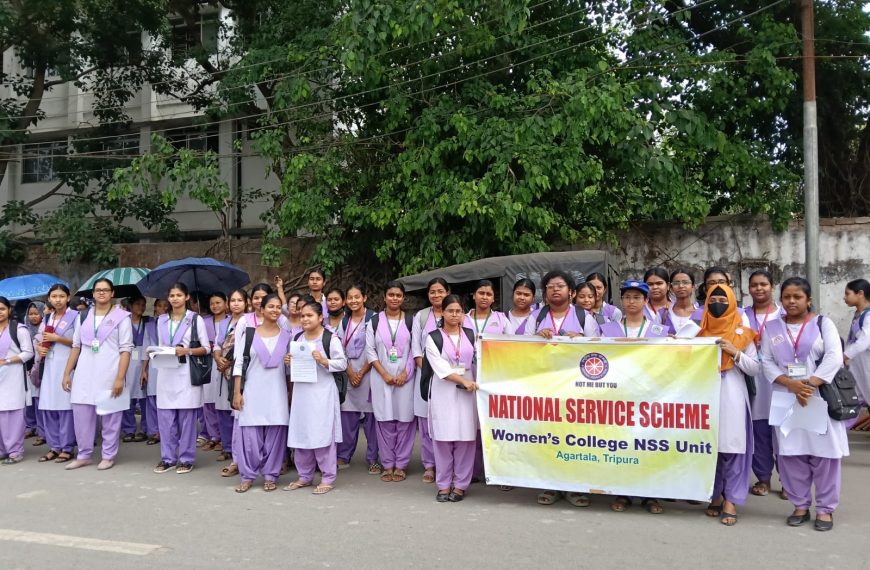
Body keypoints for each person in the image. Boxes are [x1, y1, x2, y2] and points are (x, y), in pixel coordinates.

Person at [760, 277, 846, 532]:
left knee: (825, 455)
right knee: (790, 454)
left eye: (797, 297)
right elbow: (765, 360)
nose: (791, 301)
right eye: (787, 297)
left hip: (818, 398)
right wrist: (790, 384)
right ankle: (800, 505)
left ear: (808, 300)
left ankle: (825, 509)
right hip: (786, 398)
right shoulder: (772, 328)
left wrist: (809, 384)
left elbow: (834, 355)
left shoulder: (823, 323)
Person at [524, 270, 597, 507]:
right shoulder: (536, 317)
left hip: (577, 387)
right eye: (551, 287)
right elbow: (521, 347)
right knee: (547, 437)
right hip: (545, 386)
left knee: (577, 438)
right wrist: (536, 337)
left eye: (560, 286)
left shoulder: (585, 317)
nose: (555, 290)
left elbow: (599, 349)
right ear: (545, 293)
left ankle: (576, 486)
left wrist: (581, 340)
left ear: (572, 292)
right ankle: (550, 485)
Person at [698, 284, 759, 527]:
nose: (719, 303)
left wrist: (735, 353)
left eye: (724, 299)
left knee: (732, 448)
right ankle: (714, 495)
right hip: (705, 395)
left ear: (733, 302)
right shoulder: (698, 332)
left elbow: (755, 368)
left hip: (733, 395)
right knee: (710, 447)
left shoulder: (744, 333)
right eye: (714, 299)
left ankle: (731, 500)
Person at [62, 278, 133, 471]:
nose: (101, 293)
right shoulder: (83, 316)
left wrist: (120, 378)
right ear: (92, 294)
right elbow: (76, 346)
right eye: (98, 290)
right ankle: (84, 454)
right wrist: (67, 373)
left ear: (112, 294)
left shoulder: (122, 317)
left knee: (110, 415)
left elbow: (126, 349)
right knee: (81, 414)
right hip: (85, 372)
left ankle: (108, 455)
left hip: (110, 371)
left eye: (105, 290)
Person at [284, 297, 347, 494]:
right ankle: (304, 475)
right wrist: (288, 361)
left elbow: (342, 363)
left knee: (321, 433)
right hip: (302, 392)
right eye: (302, 316)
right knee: (302, 432)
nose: (305, 319)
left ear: (321, 317)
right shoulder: (297, 339)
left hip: (322, 393)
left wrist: (324, 360)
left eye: (309, 315)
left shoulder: (330, 338)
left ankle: (328, 477)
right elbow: (294, 363)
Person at [231, 294, 291, 493]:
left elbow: (291, 370)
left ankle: (270, 475)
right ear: (262, 309)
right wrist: (236, 392)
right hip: (252, 390)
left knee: (275, 435)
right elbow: (238, 364)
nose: (274, 310)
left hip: (277, 392)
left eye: (278, 307)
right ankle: (247, 475)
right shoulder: (248, 334)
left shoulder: (287, 335)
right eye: (270, 306)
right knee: (249, 435)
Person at [152, 282, 211, 474]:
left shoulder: (195, 320)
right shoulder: (161, 320)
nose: (175, 298)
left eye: (179, 295)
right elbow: (161, 344)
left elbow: (206, 348)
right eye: (172, 295)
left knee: (187, 420)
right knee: (166, 418)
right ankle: (167, 458)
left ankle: (186, 458)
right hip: (166, 372)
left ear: (186, 297)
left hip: (187, 374)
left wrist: (187, 351)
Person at [426, 294, 478, 502]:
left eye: (458, 311)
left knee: (466, 439)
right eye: (450, 311)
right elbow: (440, 368)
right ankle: (444, 484)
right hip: (443, 392)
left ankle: (461, 485)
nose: (454, 315)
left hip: (468, 394)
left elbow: (482, 359)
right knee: (443, 439)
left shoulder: (471, 335)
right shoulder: (433, 337)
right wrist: (463, 381)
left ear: (463, 313)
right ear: (443, 312)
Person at [366, 281, 417, 483]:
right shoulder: (374, 322)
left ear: (403, 298)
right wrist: (384, 374)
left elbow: (416, 349)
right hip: (381, 378)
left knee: (405, 421)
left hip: (406, 379)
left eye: (398, 295)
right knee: (385, 420)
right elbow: (370, 351)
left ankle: (401, 464)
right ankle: (388, 464)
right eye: (391, 295)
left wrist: (406, 372)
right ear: (384, 297)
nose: (394, 298)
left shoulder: (411, 321)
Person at [745, 270, 785, 497]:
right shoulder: (742, 315)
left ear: (772, 286)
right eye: (754, 285)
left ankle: (788, 480)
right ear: (748, 288)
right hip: (753, 380)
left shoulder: (783, 314)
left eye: (763, 284)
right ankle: (762, 479)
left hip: (780, 379)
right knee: (758, 430)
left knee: (784, 432)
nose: (759, 289)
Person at [411, 277, 450, 483]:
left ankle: (446, 463)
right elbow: (416, 348)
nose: (437, 295)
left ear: (447, 292)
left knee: (445, 420)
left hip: (449, 378)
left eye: (440, 291)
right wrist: (427, 368)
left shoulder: (455, 312)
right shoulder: (421, 316)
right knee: (425, 421)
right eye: (433, 292)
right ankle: (429, 464)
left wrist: (445, 371)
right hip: (425, 374)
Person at [336, 284, 378, 473]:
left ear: (365, 298)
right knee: (348, 417)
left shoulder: (374, 319)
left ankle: (373, 458)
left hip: (369, 374)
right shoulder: (343, 322)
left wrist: (361, 372)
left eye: (357, 297)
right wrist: (351, 372)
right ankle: (344, 455)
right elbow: (337, 349)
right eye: (350, 297)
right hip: (349, 373)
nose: (353, 301)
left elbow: (376, 349)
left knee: (371, 418)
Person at [34, 284, 78, 463]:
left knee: (65, 407)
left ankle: (67, 447)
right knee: (49, 405)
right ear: (49, 299)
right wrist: (39, 348)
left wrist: (57, 338)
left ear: (68, 298)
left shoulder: (76, 317)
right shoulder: (47, 317)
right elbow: (40, 339)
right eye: (54, 296)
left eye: (61, 296)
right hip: (49, 365)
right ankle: (54, 446)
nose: (57, 299)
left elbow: (78, 343)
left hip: (67, 365)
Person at [213, 289, 248, 472]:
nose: (236, 303)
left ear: (246, 303)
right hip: (223, 369)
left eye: (239, 300)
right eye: (233, 300)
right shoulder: (224, 322)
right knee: (223, 411)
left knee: (237, 412)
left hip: (239, 371)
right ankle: (227, 448)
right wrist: (218, 358)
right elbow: (217, 344)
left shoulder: (249, 321)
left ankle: (239, 454)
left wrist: (232, 362)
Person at [0, 296, 34, 465]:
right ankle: (2, 449)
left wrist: (7, 361)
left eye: (2, 309)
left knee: (13, 413)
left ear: (9, 310)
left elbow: (28, 352)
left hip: (13, 375)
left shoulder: (19, 329)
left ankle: (15, 450)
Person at [198, 292, 228, 452]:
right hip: (208, 364)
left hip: (225, 364)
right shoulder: (204, 321)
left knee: (223, 403)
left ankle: (224, 437)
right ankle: (213, 435)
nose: (215, 306)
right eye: (212, 303)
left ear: (225, 303)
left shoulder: (230, 320)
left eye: (218, 302)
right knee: (208, 401)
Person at [121, 295, 150, 443]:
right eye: (138, 304)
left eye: (143, 304)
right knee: (127, 395)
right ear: (130, 306)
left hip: (144, 360)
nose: (141, 307)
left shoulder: (149, 322)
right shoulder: (123, 322)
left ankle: (145, 428)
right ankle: (128, 429)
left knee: (144, 396)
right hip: (127, 360)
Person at [844, 279, 870, 431]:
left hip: (866, 368)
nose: (845, 297)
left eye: (847, 294)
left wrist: (844, 356)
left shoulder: (868, 316)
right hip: (859, 369)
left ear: (860, 294)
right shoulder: (859, 315)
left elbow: (863, 342)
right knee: (852, 401)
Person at [23, 301, 45, 444]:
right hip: (26, 369)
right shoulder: (23, 330)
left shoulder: (45, 330)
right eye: (30, 314)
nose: (33, 317)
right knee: (28, 401)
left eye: (36, 313)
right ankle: (30, 426)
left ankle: (41, 430)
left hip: (40, 369)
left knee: (39, 401)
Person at [660, 268, 699, 335]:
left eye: (686, 282)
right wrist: (664, 337)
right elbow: (654, 338)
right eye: (676, 283)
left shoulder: (702, 314)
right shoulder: (662, 313)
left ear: (693, 286)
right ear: (671, 287)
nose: (681, 286)